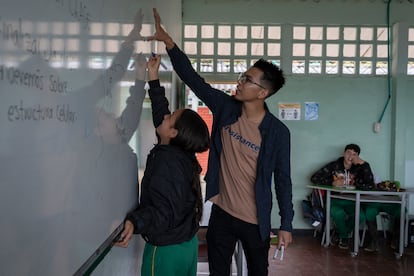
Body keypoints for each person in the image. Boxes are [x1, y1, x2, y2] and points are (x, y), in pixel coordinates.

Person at [148, 8, 294, 276]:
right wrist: (169, 42)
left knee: (258, 272)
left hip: (256, 220)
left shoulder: (277, 133)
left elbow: (282, 179)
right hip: (223, 214)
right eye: (242, 77)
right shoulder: (226, 108)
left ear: (262, 92)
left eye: (247, 80)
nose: (239, 83)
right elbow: (193, 79)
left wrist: (286, 224)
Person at [115, 53, 210, 276]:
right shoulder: (180, 153)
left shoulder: (167, 163)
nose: (164, 117)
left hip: (165, 251)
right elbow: (161, 113)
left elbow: (163, 213)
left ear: (174, 132)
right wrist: (153, 77)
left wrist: (134, 222)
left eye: (170, 118)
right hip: (185, 247)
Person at [310, 143, 374, 250]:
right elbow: (314, 178)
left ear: (357, 156)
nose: (350, 156)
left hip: (352, 200)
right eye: (348, 152)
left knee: (361, 216)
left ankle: (339, 233)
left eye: (354, 154)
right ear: (344, 153)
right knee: (338, 213)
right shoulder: (334, 166)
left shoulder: (359, 168)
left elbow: (370, 184)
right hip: (334, 199)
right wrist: (332, 182)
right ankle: (344, 237)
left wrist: (364, 164)